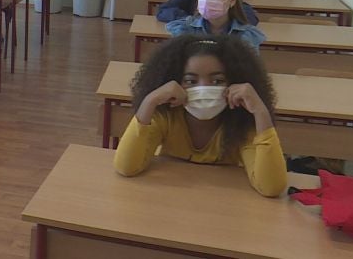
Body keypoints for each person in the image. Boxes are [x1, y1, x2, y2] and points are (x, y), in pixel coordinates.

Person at [113, 34, 287, 197]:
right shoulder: (167, 115)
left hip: (223, 202)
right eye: (191, 81)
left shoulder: (240, 123)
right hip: (171, 199)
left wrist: (260, 111)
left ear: (235, 83)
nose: (203, 88)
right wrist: (149, 101)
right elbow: (126, 167)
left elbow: (271, 187)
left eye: (217, 81)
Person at [166, 0, 265, 52]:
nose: (206, 1)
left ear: (232, 0)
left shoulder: (246, 35)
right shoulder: (185, 29)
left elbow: (247, 67)